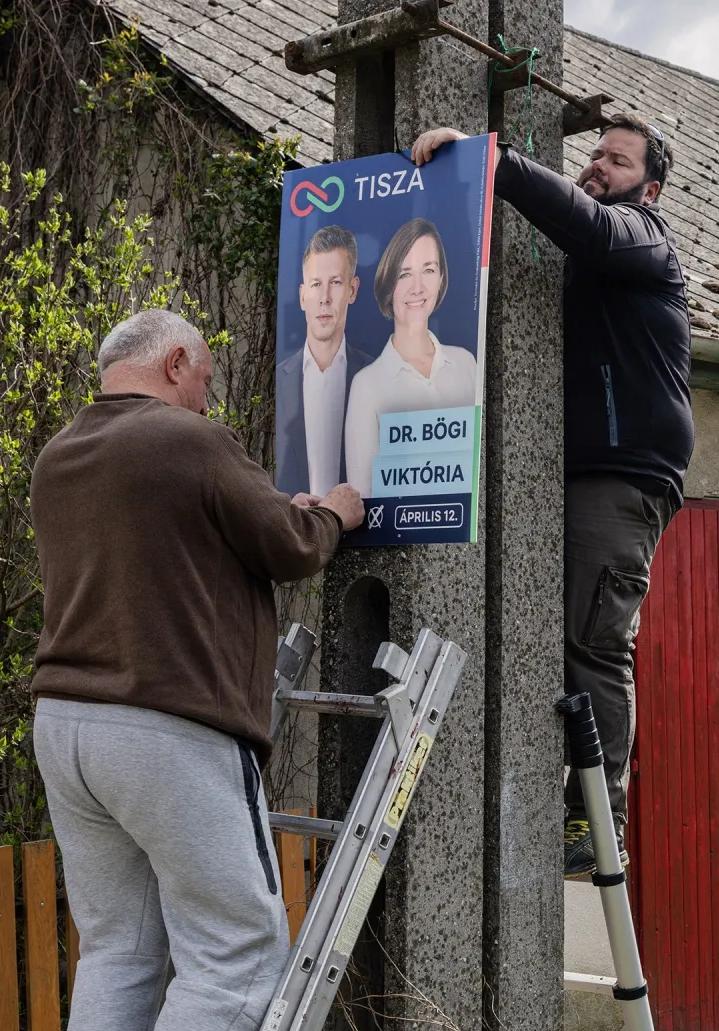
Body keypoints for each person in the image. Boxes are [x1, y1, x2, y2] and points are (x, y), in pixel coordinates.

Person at [27, 309, 365, 1031]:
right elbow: (287, 545)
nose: (210, 391)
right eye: (207, 374)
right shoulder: (189, 441)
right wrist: (334, 510)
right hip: (167, 730)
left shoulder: (60, 453)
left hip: (66, 728)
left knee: (119, 947)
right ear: (174, 362)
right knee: (242, 945)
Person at [410, 115, 692, 876]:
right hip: (578, 471)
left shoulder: (642, 237)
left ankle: (599, 822)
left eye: (617, 159)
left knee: (593, 640)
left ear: (651, 186)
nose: (598, 165)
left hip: (625, 475)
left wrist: (494, 157)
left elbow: (590, 222)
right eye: (594, 154)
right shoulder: (594, 261)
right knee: (565, 634)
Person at [340, 217, 480, 497]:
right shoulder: (367, 385)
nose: (417, 287)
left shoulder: (466, 364)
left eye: (429, 270)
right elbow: (364, 498)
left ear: (441, 278)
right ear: (388, 284)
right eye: (404, 274)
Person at [274, 225, 374, 496]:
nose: (325, 298)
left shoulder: (376, 377)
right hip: (299, 535)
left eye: (336, 283)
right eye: (317, 284)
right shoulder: (277, 380)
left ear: (352, 290)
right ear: (303, 295)